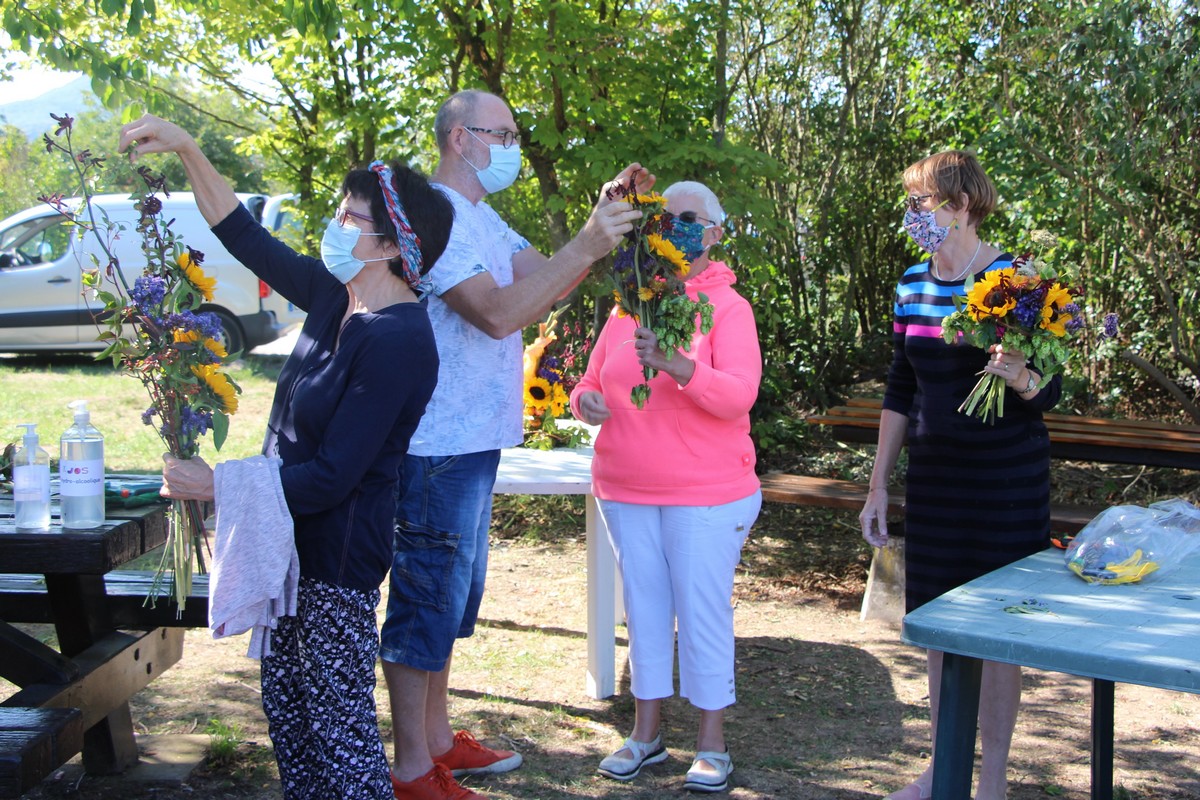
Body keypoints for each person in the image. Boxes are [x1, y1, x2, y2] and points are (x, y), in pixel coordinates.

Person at [118, 114, 454, 800]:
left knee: (340, 739)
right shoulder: (338, 297)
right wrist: (187, 148)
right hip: (286, 549)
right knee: (294, 726)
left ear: (393, 245)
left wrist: (217, 485)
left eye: (350, 217)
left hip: (334, 563)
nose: (335, 225)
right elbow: (242, 234)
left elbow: (333, 477)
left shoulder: (399, 341)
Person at [379, 89, 651, 800]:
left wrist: (602, 223)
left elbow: (543, 282)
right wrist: (587, 242)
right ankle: (411, 770)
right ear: (460, 138)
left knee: (451, 601)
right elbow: (498, 315)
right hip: (435, 441)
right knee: (423, 602)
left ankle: (438, 740)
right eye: (503, 135)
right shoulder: (432, 216)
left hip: (473, 439)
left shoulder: (483, 215)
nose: (514, 148)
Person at [857, 150, 1062, 800]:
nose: (912, 214)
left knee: (997, 635)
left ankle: (992, 781)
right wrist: (878, 485)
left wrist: (1020, 376)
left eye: (921, 202)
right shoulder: (911, 284)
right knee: (939, 629)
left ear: (962, 204)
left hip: (1005, 486)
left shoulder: (1017, 280)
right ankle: (940, 773)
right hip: (935, 484)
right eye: (911, 203)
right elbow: (900, 388)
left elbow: (1050, 389)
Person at [571, 180, 762, 794]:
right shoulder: (629, 304)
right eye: (667, 217)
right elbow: (590, 381)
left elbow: (739, 395)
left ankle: (711, 744)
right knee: (645, 610)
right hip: (625, 486)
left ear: (715, 233)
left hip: (706, 491)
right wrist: (585, 402)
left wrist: (679, 366)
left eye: (690, 217)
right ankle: (645, 734)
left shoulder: (729, 308)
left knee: (701, 612)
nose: (676, 226)